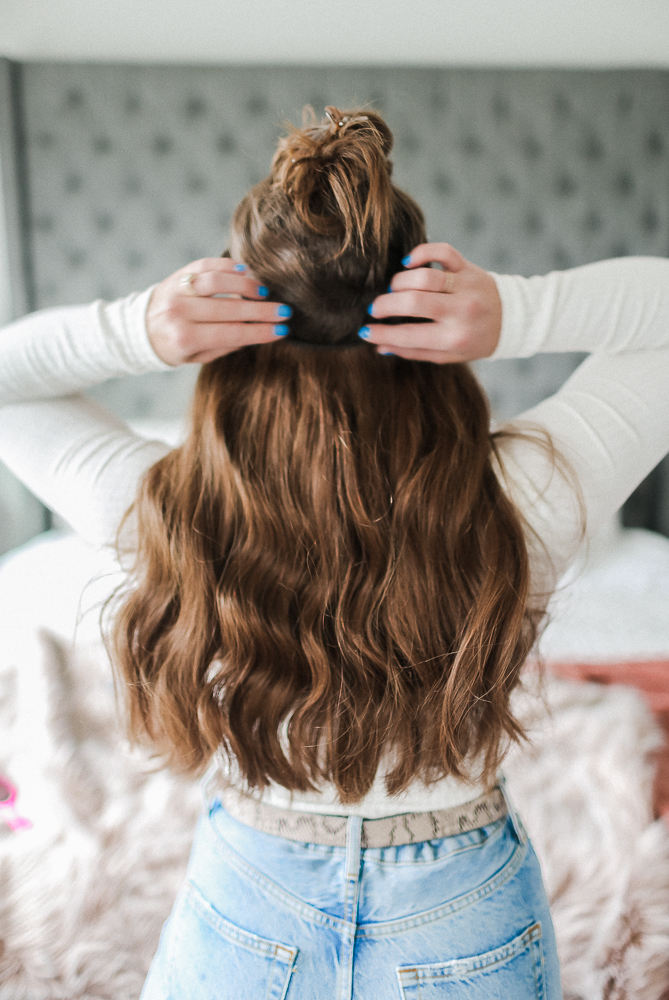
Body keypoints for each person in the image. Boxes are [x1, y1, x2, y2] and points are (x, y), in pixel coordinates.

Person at [1, 106, 668, 1000]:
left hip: (250, 908)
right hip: (464, 915)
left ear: (233, 361)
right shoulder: (524, 500)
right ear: (429, 343)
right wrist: (517, 310)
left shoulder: (171, 512)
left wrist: (135, 328)